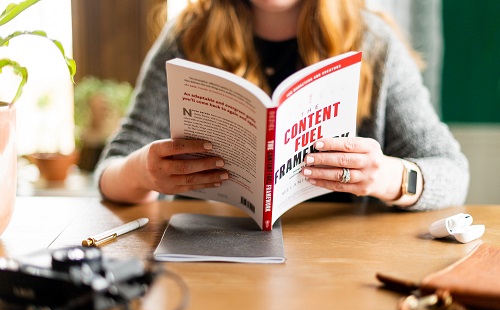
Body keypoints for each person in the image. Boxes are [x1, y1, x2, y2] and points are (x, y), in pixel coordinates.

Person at [95, 0, 469, 211]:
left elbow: (452, 172)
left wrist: (386, 176)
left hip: (341, 265)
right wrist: (143, 171)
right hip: (208, 260)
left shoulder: (372, 41)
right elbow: (110, 173)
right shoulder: (186, 36)